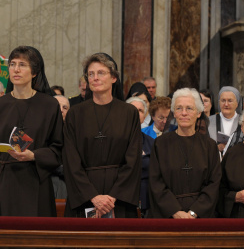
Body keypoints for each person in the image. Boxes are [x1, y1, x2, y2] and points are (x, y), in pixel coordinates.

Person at [63, 52, 142, 218]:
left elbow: (133, 159)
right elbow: (71, 159)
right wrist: (93, 196)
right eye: (90, 74)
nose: (94, 78)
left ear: (114, 78)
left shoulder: (129, 113)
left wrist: (112, 197)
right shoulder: (75, 114)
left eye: (101, 73)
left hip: (119, 197)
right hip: (84, 194)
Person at [0, 46, 63, 216]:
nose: (16, 69)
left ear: (35, 72)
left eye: (22, 64)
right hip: (4, 183)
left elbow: (59, 149)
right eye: (12, 64)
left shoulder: (49, 105)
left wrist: (34, 155)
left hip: (37, 180)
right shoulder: (1, 104)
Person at [148, 88, 221, 218]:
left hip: (201, 216)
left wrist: (194, 212)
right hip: (168, 215)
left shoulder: (209, 145)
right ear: (174, 113)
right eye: (179, 108)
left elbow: (214, 183)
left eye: (189, 108)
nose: (183, 113)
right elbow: (156, 182)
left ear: (199, 113)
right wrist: (175, 211)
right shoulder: (161, 143)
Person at [126, 96, 154, 218]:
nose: (136, 113)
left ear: (144, 117)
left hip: (146, 201)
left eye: (140, 111)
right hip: (123, 200)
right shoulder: (115, 141)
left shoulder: (151, 143)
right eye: (132, 109)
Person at [208, 86, 242, 155]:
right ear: (219, 102)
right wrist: (216, 149)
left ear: (237, 104)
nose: (226, 104)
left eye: (230, 101)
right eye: (223, 100)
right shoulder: (208, 121)